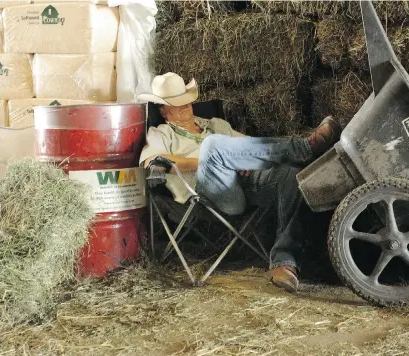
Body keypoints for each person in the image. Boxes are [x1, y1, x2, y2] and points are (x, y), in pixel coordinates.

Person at [138, 72, 342, 293]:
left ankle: (284, 262)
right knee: (213, 146)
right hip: (209, 194)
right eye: (177, 105)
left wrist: (245, 159)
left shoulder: (216, 124)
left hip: (246, 185)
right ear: (163, 111)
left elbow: (252, 147)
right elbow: (151, 161)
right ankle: (305, 148)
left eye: (187, 102)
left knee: (291, 175)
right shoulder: (161, 132)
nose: (187, 107)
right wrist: (205, 161)